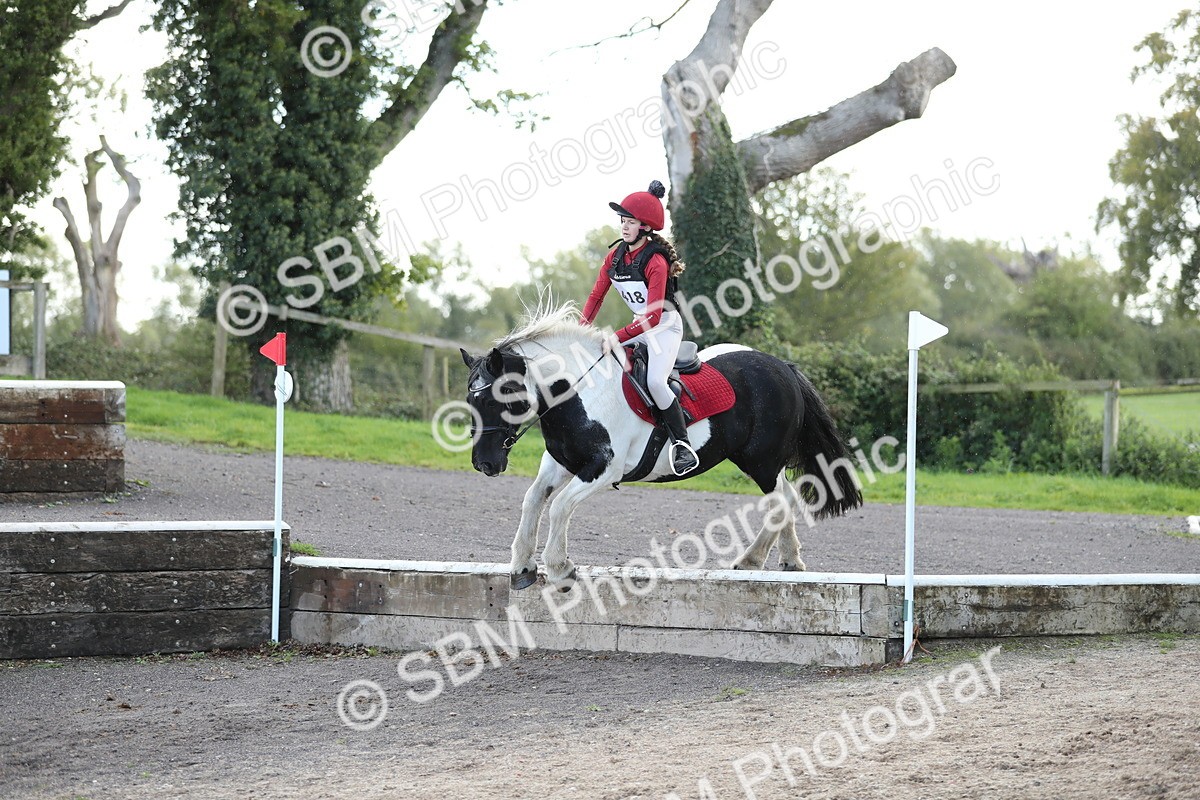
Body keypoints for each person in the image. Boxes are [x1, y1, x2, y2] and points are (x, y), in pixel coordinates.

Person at [580, 179, 699, 476]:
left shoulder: (655, 262)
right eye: (622, 220)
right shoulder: (615, 256)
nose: (624, 226)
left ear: (645, 227)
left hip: (664, 327)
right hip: (638, 326)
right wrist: (582, 330)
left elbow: (655, 318)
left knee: (656, 382)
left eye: (630, 221)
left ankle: (682, 444)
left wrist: (616, 337)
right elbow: (597, 296)